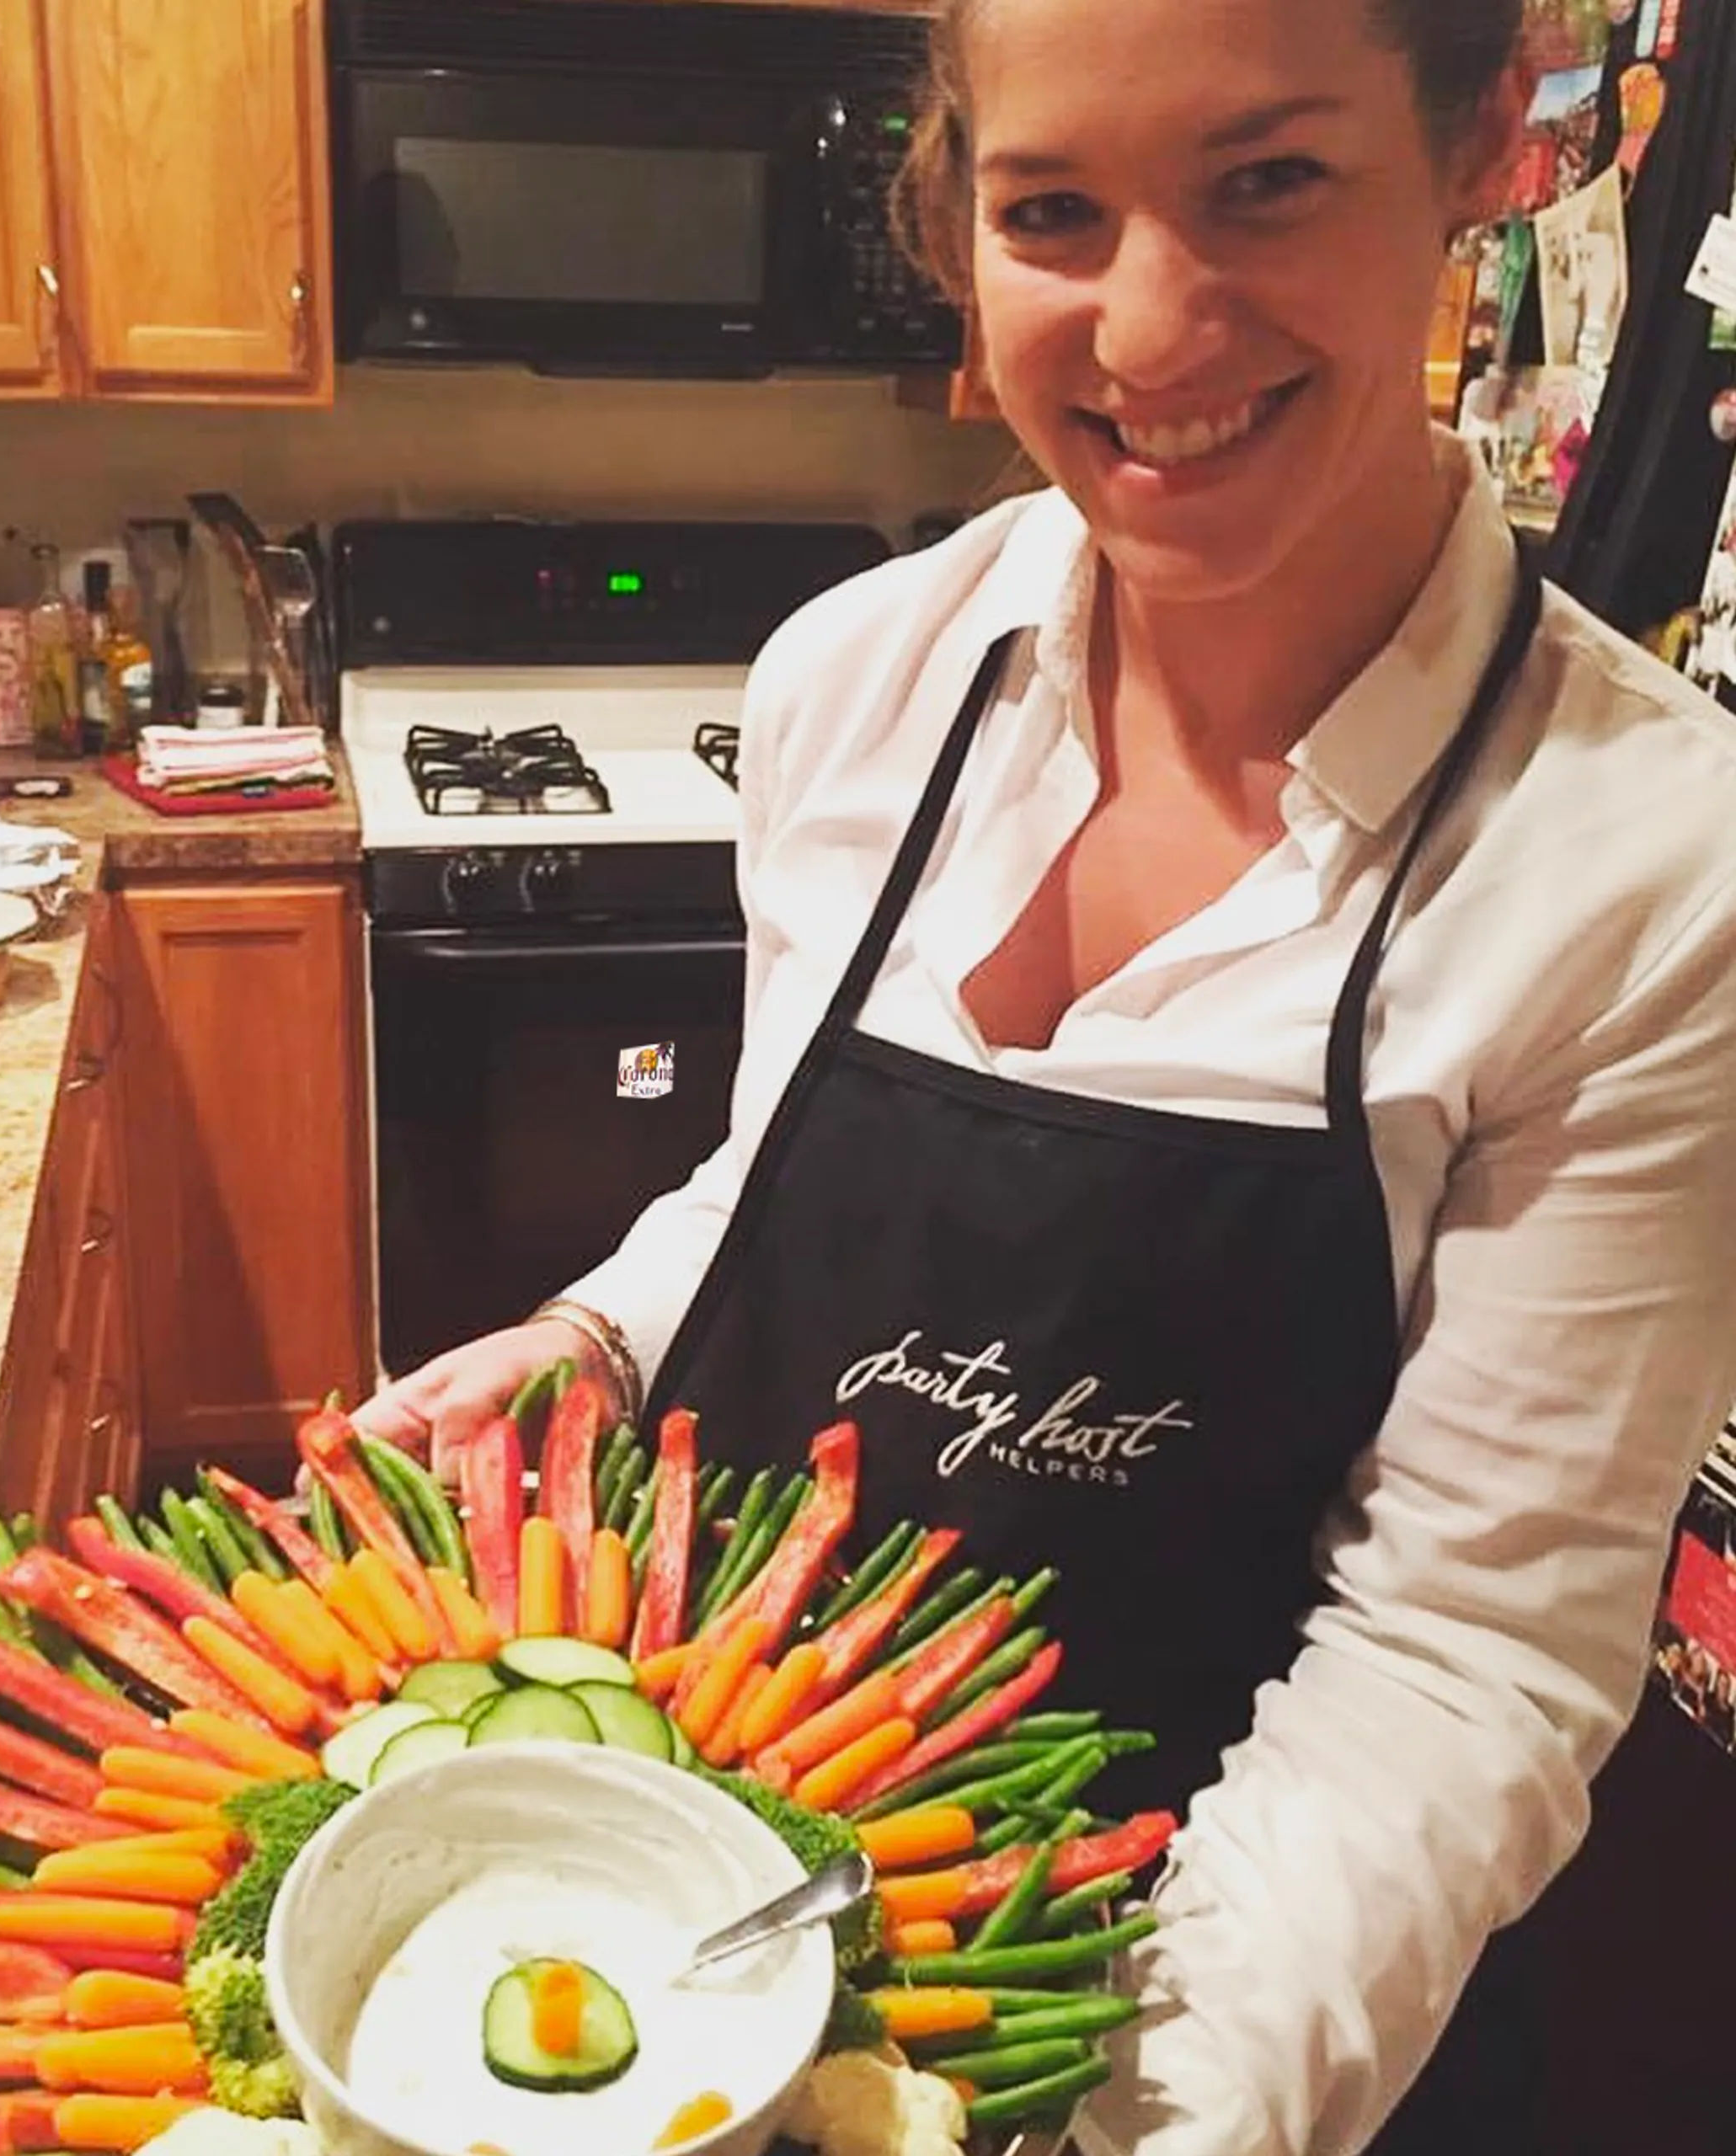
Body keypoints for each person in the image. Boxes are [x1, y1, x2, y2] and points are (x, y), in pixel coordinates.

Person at [358, 1, 1736, 2148]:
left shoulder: (1646, 865)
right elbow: (778, 1163)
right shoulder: (860, 679)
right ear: (960, 218)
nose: (1152, 330)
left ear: (1483, 145)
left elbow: (1464, 1661)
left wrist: (1110, 2112)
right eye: (1055, 212)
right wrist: (598, 1330)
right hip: (746, 1906)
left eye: (1268, 182)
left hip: (1237, 2008)